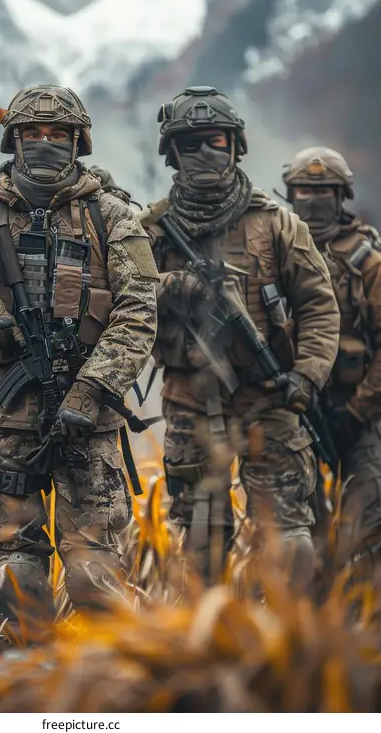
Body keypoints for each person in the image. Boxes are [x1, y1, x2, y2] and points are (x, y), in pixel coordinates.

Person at [0, 84, 158, 632]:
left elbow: (140, 311)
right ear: (14, 140)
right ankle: (30, 678)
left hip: (87, 421)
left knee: (94, 572)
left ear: (78, 142)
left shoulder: (111, 216)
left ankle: (113, 675)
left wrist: (91, 389)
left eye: (57, 134)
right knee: (16, 570)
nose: (45, 142)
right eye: (32, 133)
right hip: (3, 419)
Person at [139, 86, 339, 586]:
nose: (207, 153)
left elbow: (318, 306)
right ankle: (208, 631)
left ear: (235, 146)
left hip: (269, 398)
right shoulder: (152, 230)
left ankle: (285, 630)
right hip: (190, 401)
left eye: (217, 141)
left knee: (289, 542)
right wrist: (174, 287)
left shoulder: (276, 224)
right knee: (200, 544)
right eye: (192, 144)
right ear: (172, 153)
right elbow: (123, 297)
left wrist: (307, 376)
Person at [283, 147, 381, 561]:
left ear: (341, 196)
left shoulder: (367, 263)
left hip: (357, 413)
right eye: (304, 191)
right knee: (299, 533)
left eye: (323, 191)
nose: (313, 200)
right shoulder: (277, 251)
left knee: (366, 528)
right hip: (294, 412)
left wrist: (357, 412)